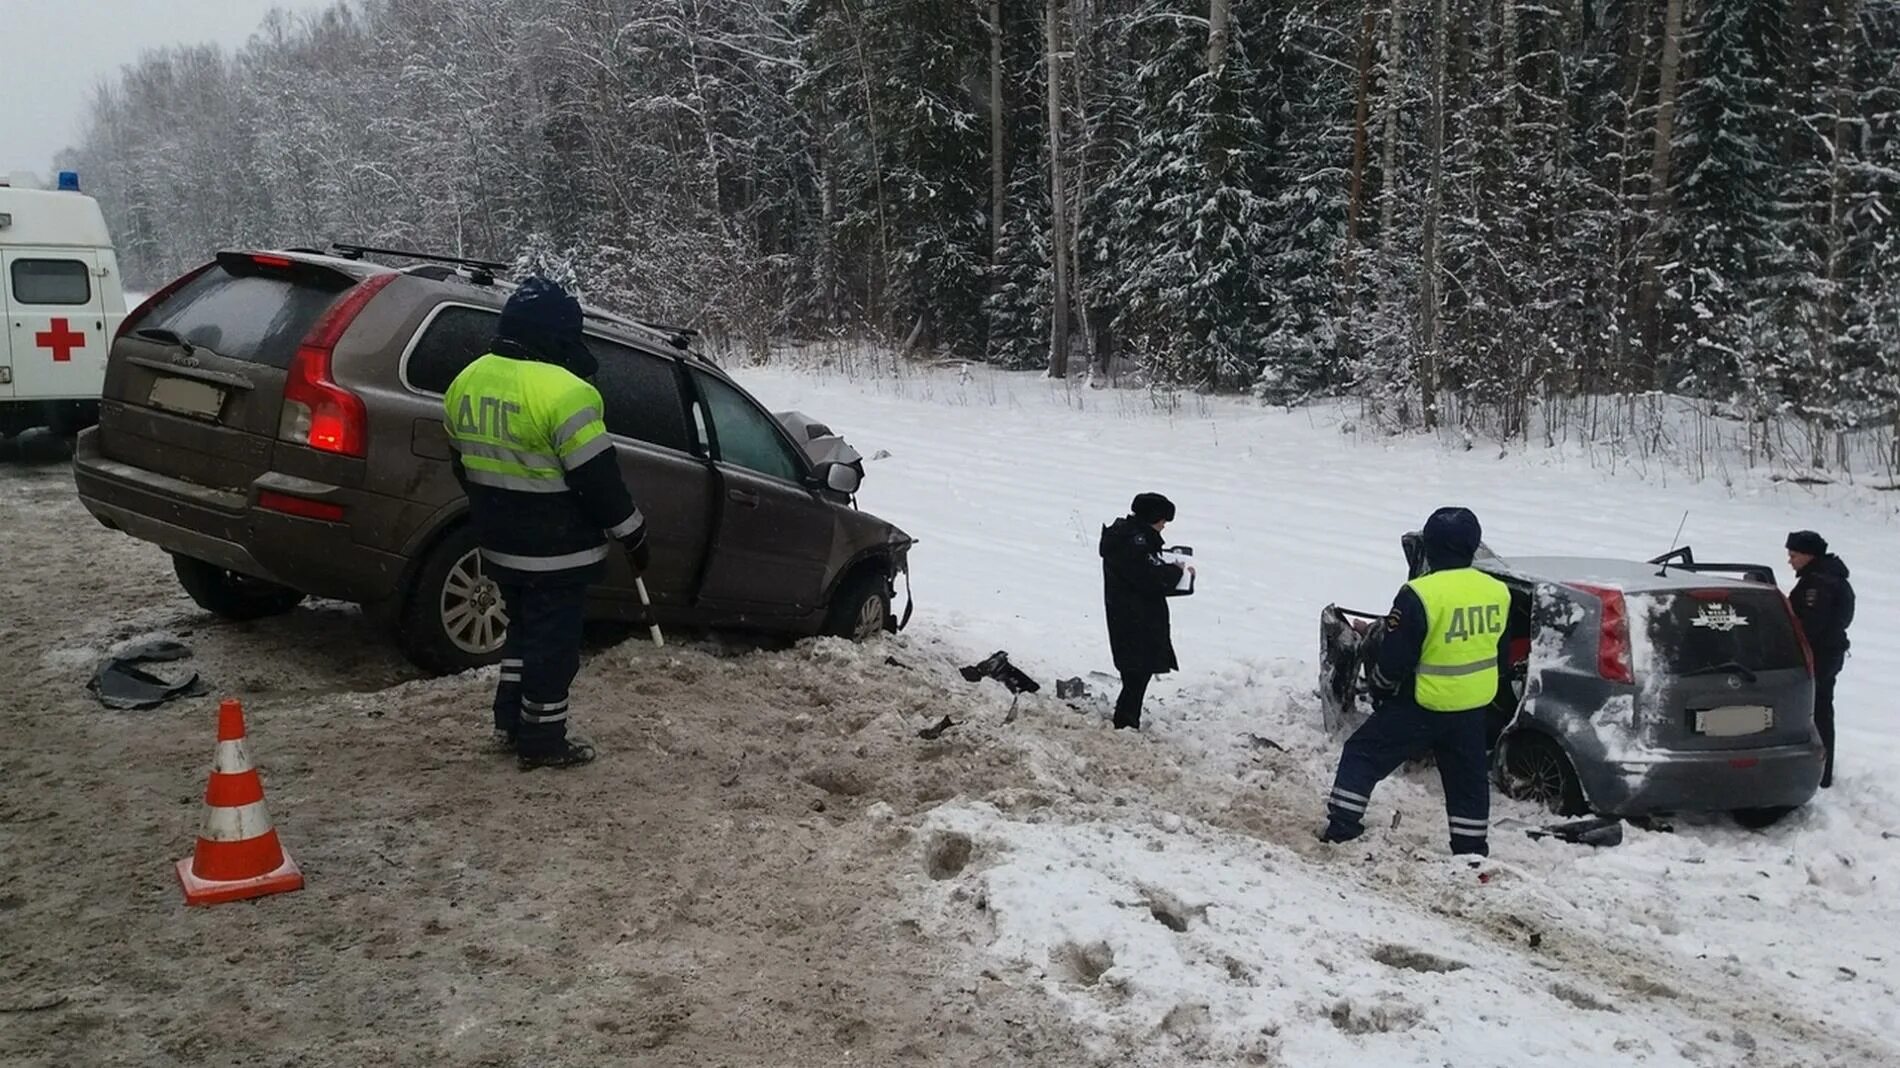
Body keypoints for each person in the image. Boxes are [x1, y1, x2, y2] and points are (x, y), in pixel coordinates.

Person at [443, 277, 648, 770]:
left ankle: (510, 719)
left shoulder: (466, 379)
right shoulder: (567, 392)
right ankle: (543, 739)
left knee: (524, 633)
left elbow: (461, 465)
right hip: (559, 550)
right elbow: (598, 481)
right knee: (554, 648)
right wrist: (633, 533)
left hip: (498, 542)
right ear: (559, 336)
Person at [1320, 507, 1507, 856]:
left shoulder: (1419, 594)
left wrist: (1380, 687)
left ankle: (1342, 829)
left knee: (1362, 754)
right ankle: (1470, 851)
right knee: (1468, 781)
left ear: (1430, 548)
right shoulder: (1497, 591)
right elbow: (1501, 649)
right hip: (1471, 706)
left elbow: (1395, 657)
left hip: (1422, 703)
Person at [1100, 493, 1193, 730]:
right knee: (1137, 671)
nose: (1164, 526)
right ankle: (1126, 722)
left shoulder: (1125, 538)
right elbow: (1148, 577)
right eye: (1163, 520)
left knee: (1135, 671)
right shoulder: (1134, 543)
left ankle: (1127, 719)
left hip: (1129, 614)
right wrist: (1175, 572)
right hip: (1136, 618)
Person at [1786, 530, 1854, 788]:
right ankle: (1822, 771)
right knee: (1821, 710)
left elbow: (1809, 625)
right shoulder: (1828, 577)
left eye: (1793, 555)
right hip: (1828, 653)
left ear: (1808, 554)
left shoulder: (1818, 584)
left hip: (1819, 655)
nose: (1790, 561)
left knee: (1817, 712)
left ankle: (1821, 772)